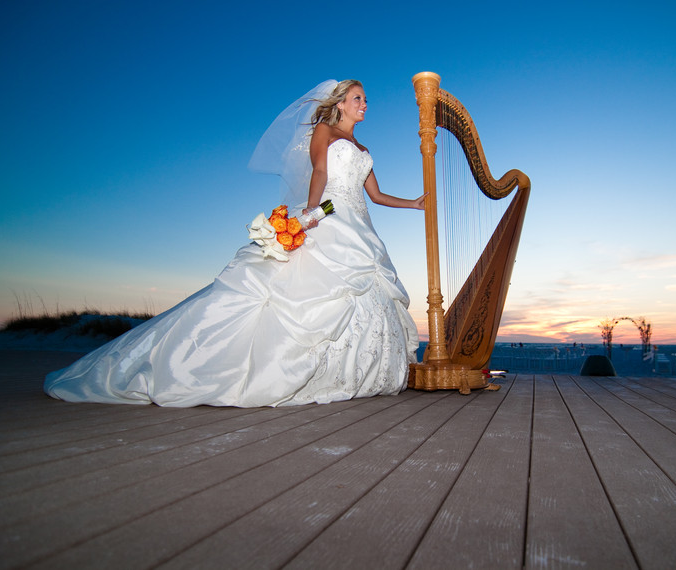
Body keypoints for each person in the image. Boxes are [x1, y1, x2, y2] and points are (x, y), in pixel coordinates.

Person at [44, 79, 424, 407]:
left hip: (359, 224)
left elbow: (375, 195)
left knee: (366, 288)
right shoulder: (325, 132)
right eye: (358, 98)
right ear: (340, 103)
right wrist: (309, 216)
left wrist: (414, 204)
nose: (364, 104)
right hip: (327, 213)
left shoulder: (362, 148)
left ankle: (356, 372)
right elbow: (320, 172)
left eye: (365, 99)